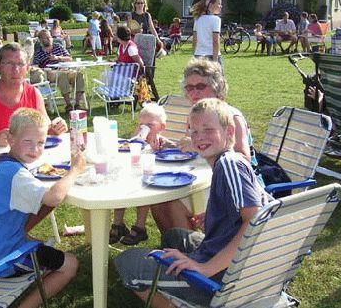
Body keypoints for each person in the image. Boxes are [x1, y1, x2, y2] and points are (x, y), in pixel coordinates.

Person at [114, 98, 269, 307]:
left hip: (225, 279)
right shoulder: (233, 161)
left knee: (127, 261)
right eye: (194, 131)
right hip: (236, 262)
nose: (199, 137)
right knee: (173, 236)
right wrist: (215, 216)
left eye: (208, 129)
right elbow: (247, 209)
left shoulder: (229, 164)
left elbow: (255, 222)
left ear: (230, 132)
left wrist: (206, 269)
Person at [0, 107, 85, 307]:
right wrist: (74, 171)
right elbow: (53, 198)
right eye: (28, 142)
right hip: (2, 258)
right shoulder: (16, 175)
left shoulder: (2, 166)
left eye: (40, 143)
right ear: (11, 139)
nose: (35, 149)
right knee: (70, 264)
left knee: (43, 245)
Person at [152, 58, 258, 233]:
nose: (194, 92)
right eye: (189, 87)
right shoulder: (196, 115)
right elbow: (197, 147)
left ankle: (197, 249)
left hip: (233, 184)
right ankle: (179, 245)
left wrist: (194, 146)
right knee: (157, 199)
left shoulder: (231, 116)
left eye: (201, 86)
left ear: (217, 88)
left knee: (170, 201)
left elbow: (243, 158)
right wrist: (170, 145)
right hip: (202, 175)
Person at [0, 43, 68, 207]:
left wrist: (56, 128)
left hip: (29, 167)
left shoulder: (33, 94)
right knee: (10, 194)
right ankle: (13, 232)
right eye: (9, 64)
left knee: (53, 189)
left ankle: (20, 232)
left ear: (28, 67)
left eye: (20, 64)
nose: (15, 70)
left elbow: (45, 131)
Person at [110, 103, 174, 245]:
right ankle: (118, 223)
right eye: (141, 125)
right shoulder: (138, 139)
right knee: (121, 184)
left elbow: (173, 153)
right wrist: (135, 139)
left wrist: (158, 148)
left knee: (145, 187)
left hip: (151, 177)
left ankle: (140, 226)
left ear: (162, 127)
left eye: (149, 125)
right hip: (133, 171)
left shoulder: (162, 142)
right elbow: (128, 149)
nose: (144, 129)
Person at [33, 29, 87, 113]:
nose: (49, 39)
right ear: (40, 40)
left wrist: (58, 58)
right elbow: (35, 66)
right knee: (62, 75)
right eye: (46, 38)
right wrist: (42, 70)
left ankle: (77, 104)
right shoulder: (39, 52)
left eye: (50, 37)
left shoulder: (58, 46)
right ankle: (69, 105)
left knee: (79, 75)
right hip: (50, 73)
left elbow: (69, 58)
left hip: (65, 69)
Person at [191, 0, 223, 67]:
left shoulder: (197, 19)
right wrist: (215, 62)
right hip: (211, 56)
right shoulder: (216, 19)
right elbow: (215, 42)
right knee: (218, 78)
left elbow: (194, 41)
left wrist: (194, 56)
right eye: (219, 3)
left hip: (198, 56)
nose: (221, 6)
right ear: (211, 5)